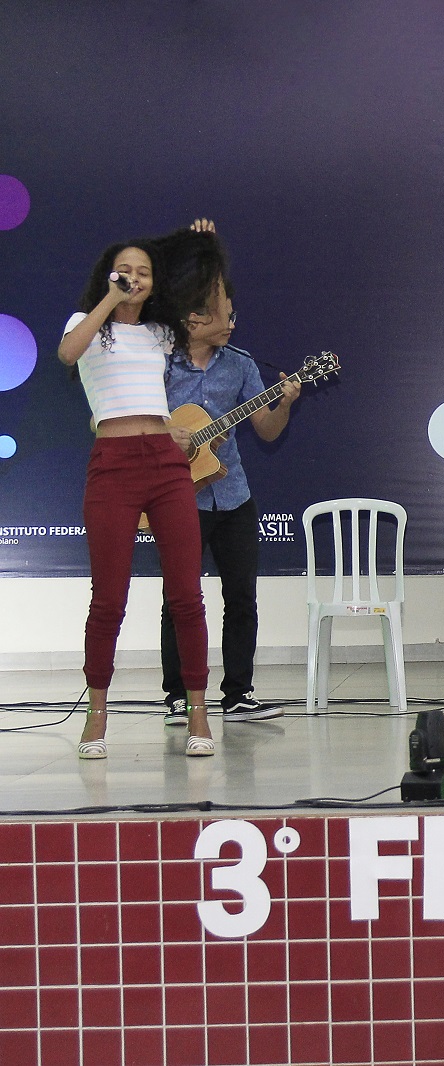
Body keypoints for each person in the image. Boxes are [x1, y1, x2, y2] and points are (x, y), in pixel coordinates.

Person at [58, 240, 214, 758]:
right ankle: (96, 716)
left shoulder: (162, 332)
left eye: (142, 272)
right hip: (113, 466)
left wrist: (205, 249)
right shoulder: (86, 321)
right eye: (123, 270)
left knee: (186, 595)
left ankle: (198, 714)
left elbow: (209, 316)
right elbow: (66, 354)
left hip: (165, 463)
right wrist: (109, 298)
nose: (133, 277)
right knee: (108, 599)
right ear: (107, 275)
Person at [152, 221, 299, 724]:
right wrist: (179, 440)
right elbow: (144, 427)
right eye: (220, 316)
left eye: (233, 316)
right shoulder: (159, 364)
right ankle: (176, 694)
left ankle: (238, 693)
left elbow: (267, 431)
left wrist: (285, 404)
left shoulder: (240, 365)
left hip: (233, 497)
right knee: (179, 599)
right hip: (179, 499)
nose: (230, 324)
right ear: (192, 319)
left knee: (241, 597)